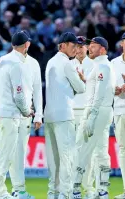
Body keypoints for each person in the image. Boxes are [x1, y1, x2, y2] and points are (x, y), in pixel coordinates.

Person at [0, 30, 43, 199]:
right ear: (27, 44)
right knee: (3, 153)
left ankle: (18, 189)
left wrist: (39, 114)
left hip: (20, 116)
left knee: (17, 153)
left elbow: (37, 90)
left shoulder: (32, 63)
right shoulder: (7, 61)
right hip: (12, 114)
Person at [73, 37, 116, 199]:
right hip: (102, 111)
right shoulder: (101, 65)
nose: (89, 49)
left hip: (96, 111)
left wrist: (92, 115)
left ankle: (75, 189)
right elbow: (97, 87)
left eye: (93, 46)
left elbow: (100, 93)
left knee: (82, 148)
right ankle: (102, 190)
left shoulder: (103, 66)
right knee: (101, 150)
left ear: (103, 49)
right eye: (89, 46)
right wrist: (85, 79)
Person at [44, 32, 86, 199]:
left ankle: (53, 193)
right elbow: (81, 88)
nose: (75, 48)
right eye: (72, 45)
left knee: (53, 159)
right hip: (64, 115)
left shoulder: (49, 62)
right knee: (66, 157)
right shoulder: (67, 64)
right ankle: (65, 194)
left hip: (49, 115)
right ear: (62, 45)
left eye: (76, 45)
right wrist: (81, 80)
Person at [71, 36, 96, 199]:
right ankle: (75, 188)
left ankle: (89, 188)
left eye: (82, 46)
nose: (79, 49)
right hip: (71, 111)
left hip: (87, 111)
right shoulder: (69, 64)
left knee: (88, 153)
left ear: (87, 48)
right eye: (76, 46)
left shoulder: (94, 65)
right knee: (73, 153)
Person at [111, 32, 125, 199]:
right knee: (123, 150)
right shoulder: (113, 63)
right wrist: (115, 89)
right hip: (120, 109)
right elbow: (108, 86)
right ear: (122, 44)